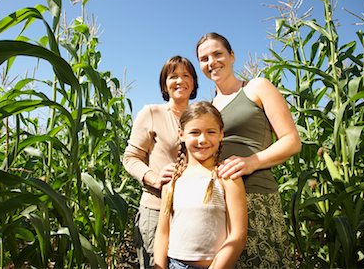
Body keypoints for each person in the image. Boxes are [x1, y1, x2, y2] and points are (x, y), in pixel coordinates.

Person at [196, 32, 302, 268]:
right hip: (218, 201)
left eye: (217, 54)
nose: (211, 62)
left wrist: (251, 161)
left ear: (232, 56)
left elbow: (292, 140)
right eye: (204, 59)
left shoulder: (257, 87)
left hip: (256, 195)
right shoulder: (208, 106)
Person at [123, 55, 199, 268]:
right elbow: (130, 157)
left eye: (186, 75)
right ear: (165, 84)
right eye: (173, 76)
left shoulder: (201, 116)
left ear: (193, 83)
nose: (179, 81)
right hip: (156, 209)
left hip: (192, 212)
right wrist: (154, 178)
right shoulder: (152, 113)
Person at [154, 101, 247, 268]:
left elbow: (238, 235)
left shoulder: (226, 178)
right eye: (195, 132)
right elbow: (162, 233)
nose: (203, 139)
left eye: (211, 132)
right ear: (181, 135)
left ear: (221, 134)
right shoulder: (173, 181)